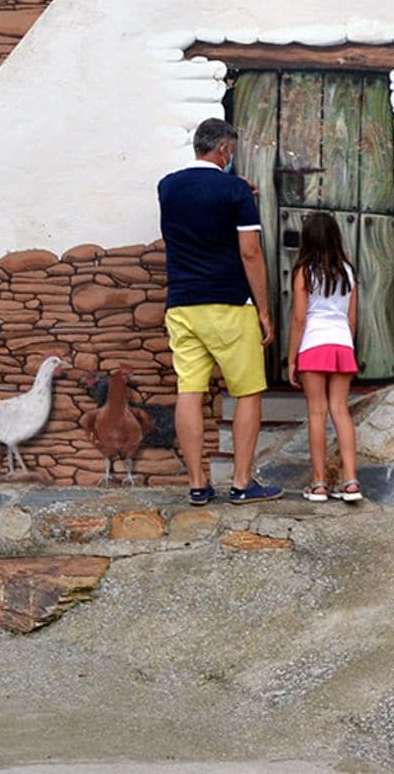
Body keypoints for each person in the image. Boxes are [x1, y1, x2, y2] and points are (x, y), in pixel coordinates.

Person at [158, 117, 282, 506]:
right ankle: (242, 483)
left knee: (189, 391)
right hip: (229, 303)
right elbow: (250, 252)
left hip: (181, 305)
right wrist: (264, 310)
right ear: (225, 150)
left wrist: (236, 187)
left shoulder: (168, 187)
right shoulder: (234, 191)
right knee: (248, 392)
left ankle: (197, 484)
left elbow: (198, 201)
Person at [287, 212, 362, 503]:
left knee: (317, 413)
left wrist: (292, 358)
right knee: (341, 411)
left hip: (314, 343)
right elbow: (352, 319)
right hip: (341, 343)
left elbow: (298, 319)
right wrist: (346, 345)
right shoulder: (349, 271)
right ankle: (351, 481)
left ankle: (319, 484)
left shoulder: (304, 272)